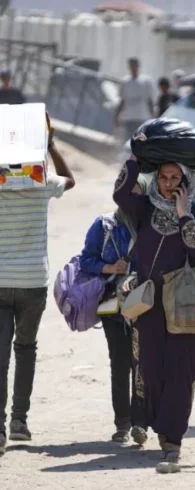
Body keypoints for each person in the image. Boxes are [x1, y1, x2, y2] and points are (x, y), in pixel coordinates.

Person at [113, 156, 195, 473]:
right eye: (164, 178)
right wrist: (134, 161)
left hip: (187, 307)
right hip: (149, 305)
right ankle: (162, 426)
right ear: (155, 180)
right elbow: (120, 195)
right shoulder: (144, 208)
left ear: (186, 183)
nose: (169, 184)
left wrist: (184, 217)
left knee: (182, 371)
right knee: (151, 370)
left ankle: (174, 440)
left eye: (176, 178)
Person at [0, 116, 75, 456]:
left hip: (0, 280)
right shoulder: (41, 182)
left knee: (0, 357)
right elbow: (70, 180)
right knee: (25, 349)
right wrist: (51, 146)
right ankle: (19, 422)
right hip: (32, 281)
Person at [79, 176, 148, 446]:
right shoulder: (104, 224)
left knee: (143, 363)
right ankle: (122, 423)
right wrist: (110, 268)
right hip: (111, 301)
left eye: (138, 192)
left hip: (145, 301)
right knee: (120, 362)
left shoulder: (152, 226)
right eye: (127, 191)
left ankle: (141, 422)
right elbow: (86, 259)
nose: (132, 197)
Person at [115, 58, 155, 143]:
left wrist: (152, 117)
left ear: (138, 66)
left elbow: (150, 101)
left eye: (134, 65)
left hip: (142, 117)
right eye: (130, 66)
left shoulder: (146, 81)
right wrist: (117, 116)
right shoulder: (125, 81)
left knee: (141, 140)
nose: (132, 68)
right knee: (127, 141)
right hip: (128, 117)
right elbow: (122, 100)